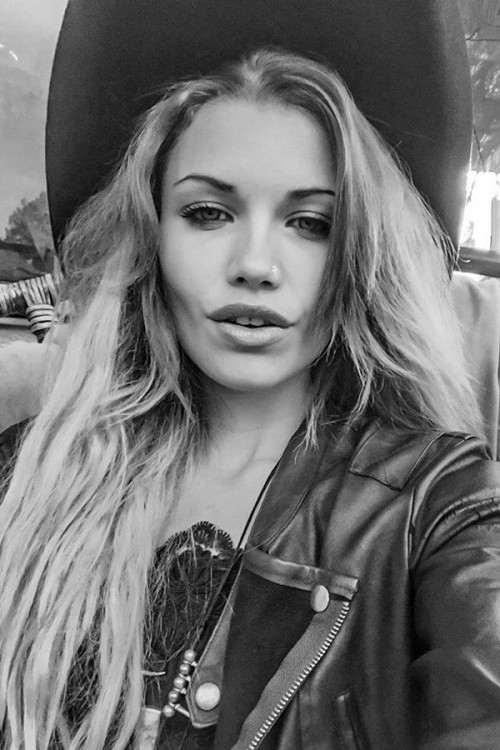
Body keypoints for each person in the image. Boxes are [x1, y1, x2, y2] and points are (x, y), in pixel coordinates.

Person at [2, 3, 500, 750]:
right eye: (208, 213)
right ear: (151, 236)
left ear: (360, 255)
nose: (256, 266)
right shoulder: (25, 475)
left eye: (312, 224)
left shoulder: (440, 505)